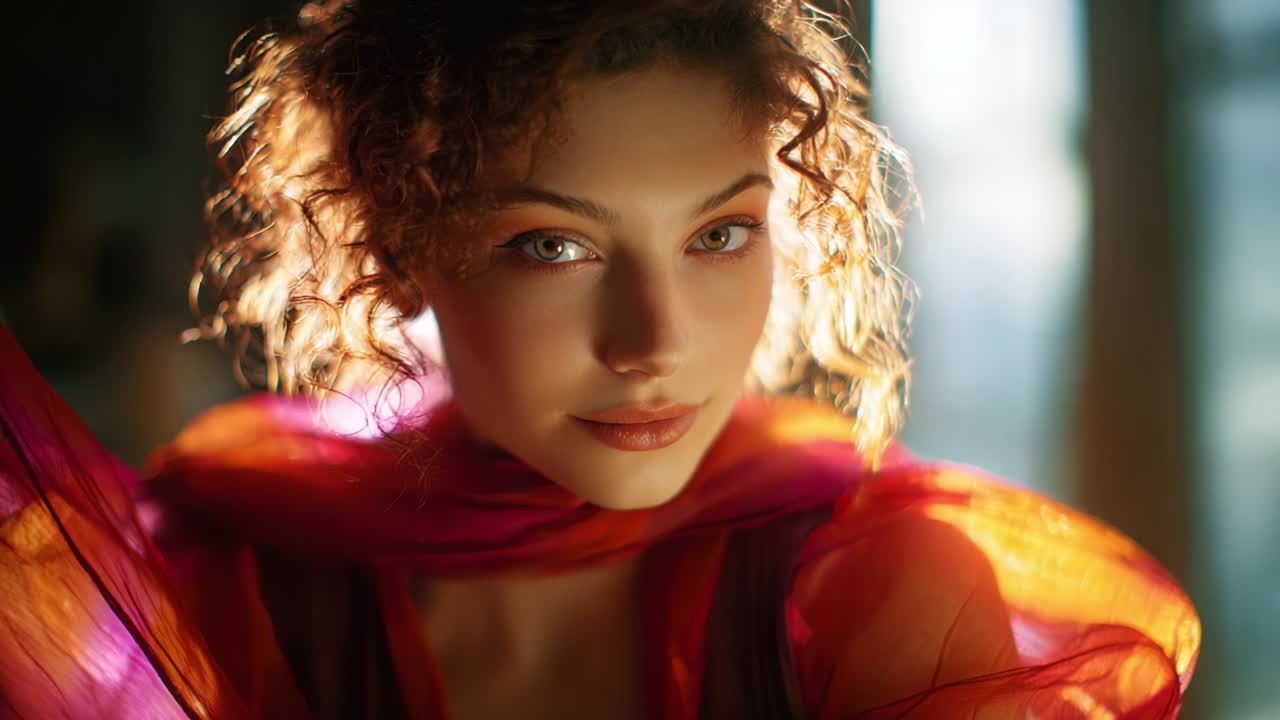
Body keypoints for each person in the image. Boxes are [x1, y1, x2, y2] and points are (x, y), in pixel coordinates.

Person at [0, 1, 1199, 718]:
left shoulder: (883, 600)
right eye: (553, 245)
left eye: (718, 235)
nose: (656, 344)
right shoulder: (223, 590)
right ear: (399, 249)